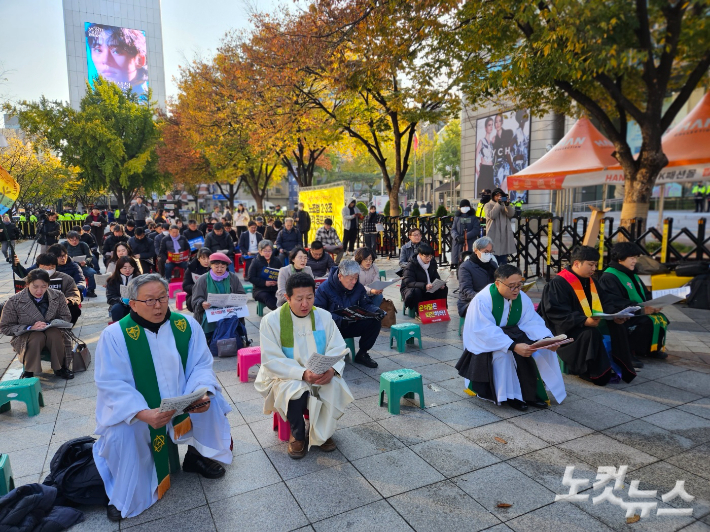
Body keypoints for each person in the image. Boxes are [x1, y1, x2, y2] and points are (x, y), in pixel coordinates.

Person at [93, 274, 232, 521]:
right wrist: (142, 413)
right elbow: (111, 382)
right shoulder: (115, 335)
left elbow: (200, 365)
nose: (158, 306)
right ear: (132, 303)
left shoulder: (185, 325)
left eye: (162, 298)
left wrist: (200, 393)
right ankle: (127, 493)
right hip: (140, 409)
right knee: (122, 432)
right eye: (149, 301)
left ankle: (196, 456)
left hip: (183, 402)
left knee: (214, 402)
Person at [256, 273, 354, 459]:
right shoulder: (271, 321)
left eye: (309, 298)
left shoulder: (323, 316)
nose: (305, 304)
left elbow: (337, 347)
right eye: (299, 299)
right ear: (287, 297)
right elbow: (271, 359)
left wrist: (332, 370)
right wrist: (301, 373)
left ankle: (322, 433)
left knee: (332, 385)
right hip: (285, 375)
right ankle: (298, 434)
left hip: (320, 372)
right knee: (295, 390)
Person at [455, 264, 567, 411]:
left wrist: (547, 339)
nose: (516, 290)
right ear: (497, 283)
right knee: (505, 356)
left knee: (538, 353)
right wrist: (512, 346)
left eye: (519, 285)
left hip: (513, 335)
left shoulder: (521, 297)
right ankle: (510, 397)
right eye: (511, 286)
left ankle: (531, 394)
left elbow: (531, 321)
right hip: (487, 344)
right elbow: (483, 330)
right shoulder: (483, 299)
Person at [539, 246, 637, 386]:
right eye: (591, 264)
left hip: (587, 322)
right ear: (577, 263)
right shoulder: (558, 283)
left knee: (617, 326)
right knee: (590, 333)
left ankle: (620, 366)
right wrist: (584, 321)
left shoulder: (592, 282)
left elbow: (605, 302)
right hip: (566, 328)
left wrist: (615, 315)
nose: (594, 268)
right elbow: (556, 312)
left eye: (595, 265)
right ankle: (593, 372)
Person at [598, 243, 668, 362]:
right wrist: (641, 309)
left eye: (636, 258)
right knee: (645, 322)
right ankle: (629, 352)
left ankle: (649, 350)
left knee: (660, 318)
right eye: (632, 258)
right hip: (622, 315)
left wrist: (655, 304)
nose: (635, 261)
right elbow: (615, 301)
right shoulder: (609, 277)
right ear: (620, 259)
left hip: (636, 310)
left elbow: (644, 294)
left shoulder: (631, 274)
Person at [0, 269, 74, 379]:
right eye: (35, 286)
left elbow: (66, 317)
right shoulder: (14, 301)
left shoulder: (58, 296)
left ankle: (60, 367)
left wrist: (50, 324)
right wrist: (30, 327)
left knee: (54, 334)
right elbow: (5, 327)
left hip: (53, 330)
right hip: (26, 335)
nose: (39, 290)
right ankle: (29, 371)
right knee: (36, 336)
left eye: (44, 286)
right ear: (27, 284)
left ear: (48, 285)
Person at [314, 260, 385, 368]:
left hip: (350, 323)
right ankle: (330, 357)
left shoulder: (358, 287)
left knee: (375, 321)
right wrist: (339, 319)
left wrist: (376, 311)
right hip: (333, 328)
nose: (354, 282)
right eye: (351, 279)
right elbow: (319, 313)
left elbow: (365, 303)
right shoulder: (325, 288)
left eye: (356, 278)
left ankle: (362, 353)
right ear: (340, 276)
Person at [191, 253, 246, 342]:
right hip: (209, 312)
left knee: (233, 319)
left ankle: (233, 338)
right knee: (208, 320)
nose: (219, 269)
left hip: (229, 310)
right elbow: (195, 300)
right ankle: (209, 339)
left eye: (222, 267)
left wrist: (234, 299)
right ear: (211, 266)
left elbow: (241, 294)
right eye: (216, 266)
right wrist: (202, 303)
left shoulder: (233, 278)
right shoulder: (202, 280)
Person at [86, 23, 149, 97]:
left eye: (117, 51)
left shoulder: (145, 103)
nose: (105, 60)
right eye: (98, 50)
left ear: (140, 60)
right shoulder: (95, 101)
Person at [401, 243, 448, 316]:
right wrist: (424, 286)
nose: (428, 259)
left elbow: (436, 277)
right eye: (426, 256)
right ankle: (419, 312)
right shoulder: (411, 265)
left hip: (428, 288)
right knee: (417, 291)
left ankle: (440, 310)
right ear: (419, 255)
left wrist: (441, 284)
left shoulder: (432, 263)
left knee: (443, 289)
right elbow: (408, 282)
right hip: (412, 290)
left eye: (430, 256)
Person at [457, 236, 497, 317]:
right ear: (476, 251)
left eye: (490, 252)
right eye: (486, 252)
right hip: (469, 303)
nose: (488, 254)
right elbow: (466, 290)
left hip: (491, 300)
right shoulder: (465, 267)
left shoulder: (492, 265)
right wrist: (483, 298)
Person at [484, 188, 516, 265]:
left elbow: (511, 214)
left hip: (504, 234)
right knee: (493, 259)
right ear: (493, 196)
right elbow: (491, 215)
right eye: (497, 196)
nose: (499, 197)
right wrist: (498, 204)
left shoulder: (504, 205)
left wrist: (507, 205)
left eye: (501, 196)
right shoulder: (488, 205)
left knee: (503, 259)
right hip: (493, 233)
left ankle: (502, 275)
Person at [248, 240, 282, 311]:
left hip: (275, 288)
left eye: (269, 251)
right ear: (260, 251)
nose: (267, 253)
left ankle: (283, 311)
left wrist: (277, 282)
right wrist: (264, 283)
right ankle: (278, 312)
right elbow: (251, 277)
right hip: (260, 290)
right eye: (265, 251)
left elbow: (282, 274)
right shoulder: (255, 262)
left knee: (280, 297)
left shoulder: (277, 261)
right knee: (266, 297)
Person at [63, 231, 97, 297]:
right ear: (67, 239)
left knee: (92, 273)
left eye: (76, 240)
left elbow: (90, 256)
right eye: (71, 240)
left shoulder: (83, 245)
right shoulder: (64, 245)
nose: (74, 242)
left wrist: (86, 262)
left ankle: (90, 290)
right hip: (68, 266)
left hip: (82, 266)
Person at [106, 257, 138, 322]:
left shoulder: (139, 279)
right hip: (120, 304)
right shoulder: (112, 281)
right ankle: (119, 328)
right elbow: (110, 299)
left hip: (136, 303)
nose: (128, 270)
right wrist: (121, 300)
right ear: (119, 268)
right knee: (116, 308)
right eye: (125, 268)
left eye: (130, 267)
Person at [451, 199, 481, 267]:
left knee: (470, 263)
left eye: (466, 206)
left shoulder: (473, 218)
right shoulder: (457, 218)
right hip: (458, 243)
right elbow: (453, 229)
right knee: (458, 263)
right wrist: (457, 237)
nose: (465, 207)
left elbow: (476, 230)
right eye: (463, 206)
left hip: (469, 243)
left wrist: (465, 237)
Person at [182, 248, 212, 312]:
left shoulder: (215, 268)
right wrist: (199, 288)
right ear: (199, 259)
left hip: (212, 294)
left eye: (208, 258)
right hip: (196, 295)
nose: (206, 261)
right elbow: (185, 286)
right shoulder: (192, 269)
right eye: (203, 258)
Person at [476, 118, 496, 192]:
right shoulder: (481, 141)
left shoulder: (491, 142)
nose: (491, 127)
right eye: (489, 125)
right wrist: (477, 171)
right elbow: (475, 157)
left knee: (491, 191)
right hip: (484, 169)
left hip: (491, 169)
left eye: (492, 125)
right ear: (485, 127)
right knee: (484, 191)